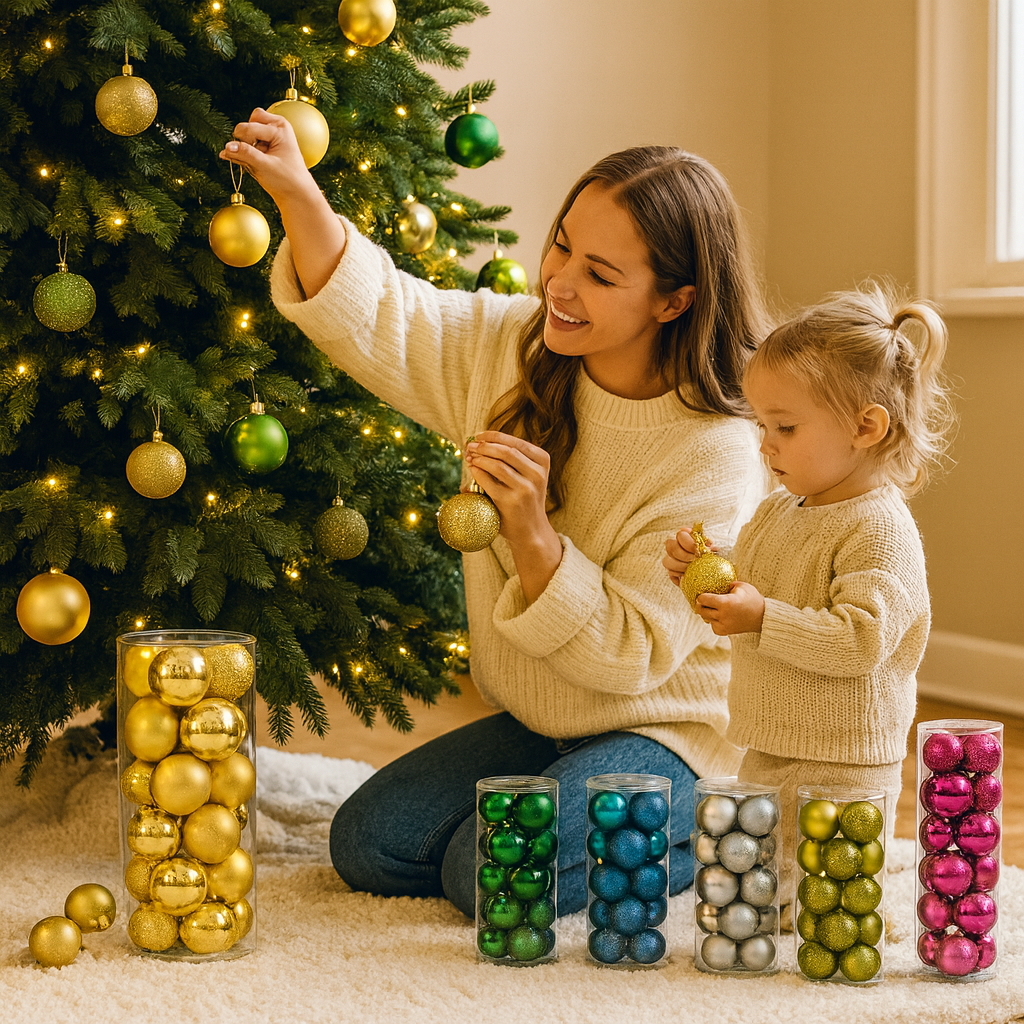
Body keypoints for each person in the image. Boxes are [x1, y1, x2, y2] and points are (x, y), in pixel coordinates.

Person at [221, 112, 771, 917]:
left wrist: (533, 534)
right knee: (368, 843)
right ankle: (576, 818)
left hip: (662, 733)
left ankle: (721, 826)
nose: (560, 282)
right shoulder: (515, 345)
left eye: (602, 274)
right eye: (562, 245)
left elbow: (631, 657)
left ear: (674, 300)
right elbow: (387, 315)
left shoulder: (715, 452)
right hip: (542, 721)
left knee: (482, 874)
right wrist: (298, 194)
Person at [664, 282, 955, 900]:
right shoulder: (779, 510)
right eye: (763, 425)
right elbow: (764, 580)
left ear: (866, 427)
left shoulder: (879, 530)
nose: (766, 445)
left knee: (834, 894)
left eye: (786, 427)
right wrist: (708, 570)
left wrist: (762, 616)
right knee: (759, 885)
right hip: (769, 739)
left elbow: (860, 640)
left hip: (845, 757)